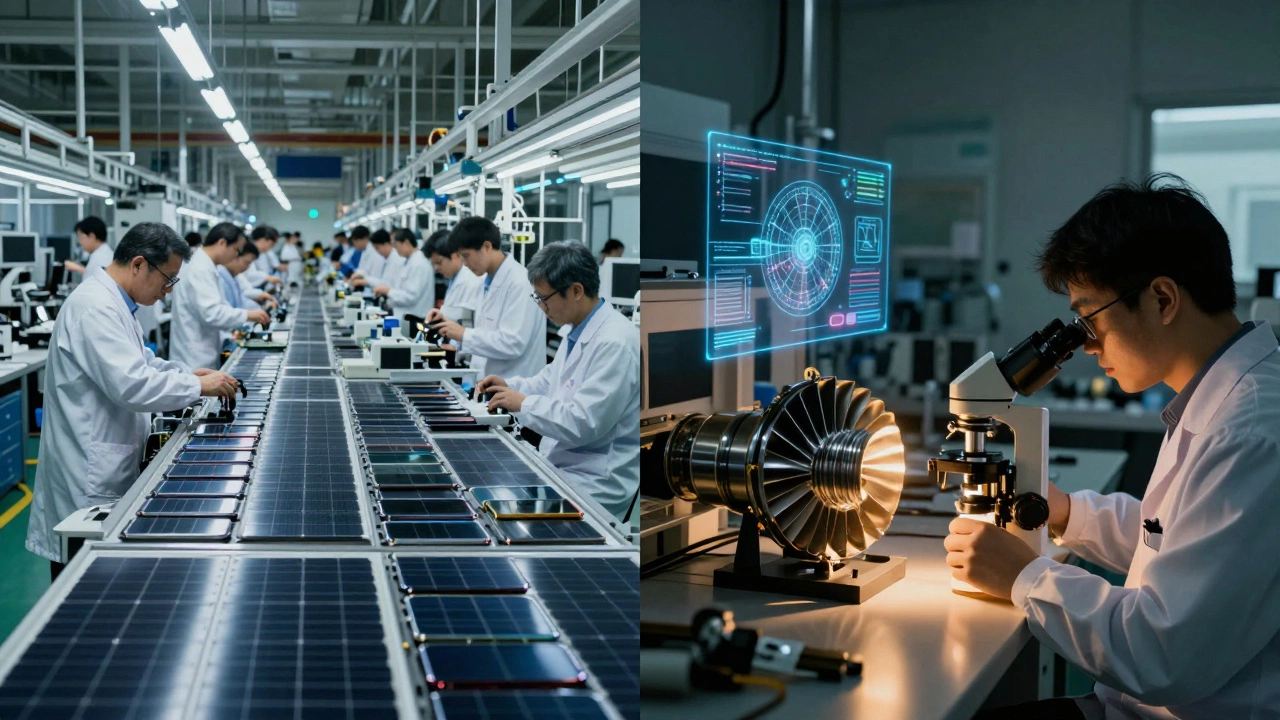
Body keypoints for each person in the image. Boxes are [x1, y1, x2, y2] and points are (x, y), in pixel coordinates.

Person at [956, 175, 1280, 720]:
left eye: (1090, 317)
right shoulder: (1224, 397)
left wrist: (1024, 576)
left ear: (1161, 299)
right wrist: (1066, 513)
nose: (1085, 345)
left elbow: (1161, 654)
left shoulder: (1250, 430)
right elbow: (1178, 544)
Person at [24, 223, 241, 579]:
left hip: (107, 457)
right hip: (87, 472)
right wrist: (196, 387)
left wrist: (189, 374)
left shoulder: (115, 303)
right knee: (80, 584)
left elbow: (141, 361)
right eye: (167, 279)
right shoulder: (95, 307)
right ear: (139, 264)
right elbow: (131, 384)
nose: (168, 291)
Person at [476, 241, 639, 522]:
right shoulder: (577, 330)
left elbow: (583, 423)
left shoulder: (615, 343)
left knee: (499, 512)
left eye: (544, 298)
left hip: (595, 483)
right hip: (564, 468)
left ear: (576, 291)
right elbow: (548, 381)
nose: (541, 307)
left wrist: (523, 404)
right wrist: (508, 386)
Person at [427, 217, 546, 379]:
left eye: (466, 256)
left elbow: (512, 343)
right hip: (488, 382)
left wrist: (464, 334)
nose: (465, 263)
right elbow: (486, 332)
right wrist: (450, 327)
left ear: (487, 247)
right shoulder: (486, 281)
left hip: (514, 384)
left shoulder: (519, 283)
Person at [170, 223, 271, 371]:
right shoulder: (200, 269)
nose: (237, 255)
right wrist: (248, 315)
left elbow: (220, 307)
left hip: (204, 351)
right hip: (194, 358)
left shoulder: (208, 266)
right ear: (222, 243)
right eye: (237, 250)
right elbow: (212, 314)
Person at [373, 229, 435, 319]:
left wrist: (388, 291)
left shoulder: (419, 264)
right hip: (404, 316)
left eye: (397, 246)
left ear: (406, 243)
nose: (396, 250)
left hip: (415, 318)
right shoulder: (409, 262)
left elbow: (411, 297)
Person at [424, 229, 483, 322]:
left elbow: (467, 321)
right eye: (433, 264)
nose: (436, 268)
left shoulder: (471, 281)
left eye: (439, 262)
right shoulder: (454, 278)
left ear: (455, 256)